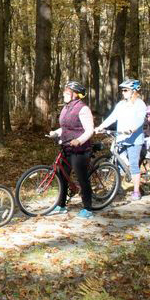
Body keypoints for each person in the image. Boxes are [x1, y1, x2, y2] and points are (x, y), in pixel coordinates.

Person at [47, 81, 96, 218]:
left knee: (82, 178)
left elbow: (89, 130)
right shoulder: (66, 108)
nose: (64, 94)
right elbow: (66, 127)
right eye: (65, 91)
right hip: (66, 147)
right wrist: (55, 132)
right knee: (62, 176)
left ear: (76, 94)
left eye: (67, 92)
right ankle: (61, 205)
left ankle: (88, 209)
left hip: (80, 150)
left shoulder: (83, 109)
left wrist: (79, 140)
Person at [95, 79, 147, 200]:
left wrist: (132, 129)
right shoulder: (121, 104)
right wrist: (101, 127)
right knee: (117, 163)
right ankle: (118, 187)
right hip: (121, 138)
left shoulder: (140, 104)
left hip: (134, 139)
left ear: (133, 91)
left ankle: (136, 191)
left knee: (133, 164)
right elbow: (112, 117)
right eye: (122, 90)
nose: (123, 92)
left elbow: (140, 120)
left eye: (125, 90)